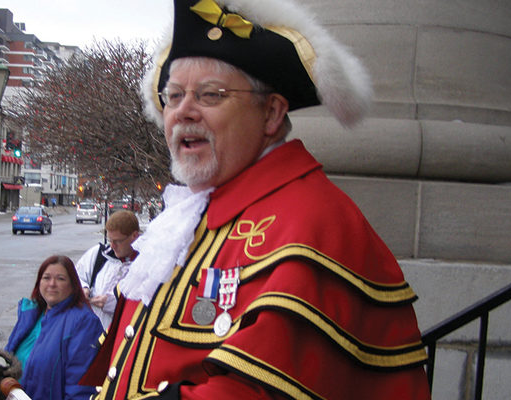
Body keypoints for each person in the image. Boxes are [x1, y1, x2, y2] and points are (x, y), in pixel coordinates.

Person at [80, 0, 431, 399]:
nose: (183, 112)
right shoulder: (192, 216)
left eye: (210, 95)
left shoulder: (312, 220)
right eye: (173, 96)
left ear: (271, 114)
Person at [5, 255, 103, 400]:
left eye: (60, 279)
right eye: (46, 278)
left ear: (73, 285)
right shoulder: (29, 314)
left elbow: (81, 387)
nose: (52, 284)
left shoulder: (84, 323)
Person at [75, 210, 140, 329]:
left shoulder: (146, 264)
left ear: (134, 236)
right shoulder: (98, 254)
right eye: (110, 240)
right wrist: (83, 288)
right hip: (89, 333)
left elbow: (145, 305)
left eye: (118, 241)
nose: (112, 246)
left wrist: (113, 304)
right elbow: (76, 276)